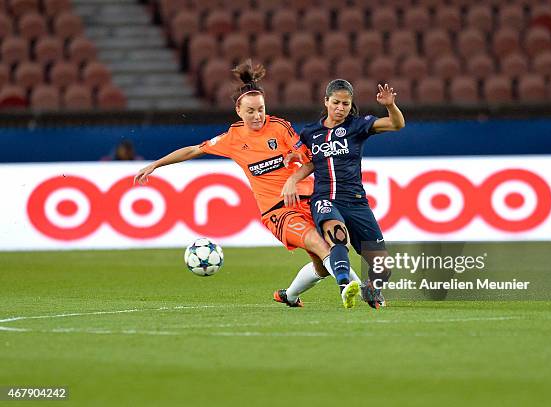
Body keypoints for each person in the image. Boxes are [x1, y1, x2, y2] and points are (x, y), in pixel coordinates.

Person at [134, 60, 362, 309]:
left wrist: (296, 167)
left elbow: (309, 158)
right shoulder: (232, 138)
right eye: (251, 111)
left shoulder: (280, 128)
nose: (257, 116)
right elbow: (193, 150)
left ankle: (289, 296)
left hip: (308, 201)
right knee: (321, 245)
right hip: (277, 211)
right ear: (238, 111)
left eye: (261, 109)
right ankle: (359, 290)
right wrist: (156, 164)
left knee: (324, 263)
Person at [282, 79, 405, 308]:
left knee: (383, 266)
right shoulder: (310, 132)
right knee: (338, 238)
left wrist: (390, 106)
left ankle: (371, 290)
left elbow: (397, 124)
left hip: (356, 201)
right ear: (326, 101)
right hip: (325, 199)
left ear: (351, 105)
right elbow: (309, 162)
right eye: (336, 102)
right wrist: (293, 177)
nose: (340, 108)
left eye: (346, 104)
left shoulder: (357, 126)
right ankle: (344, 286)